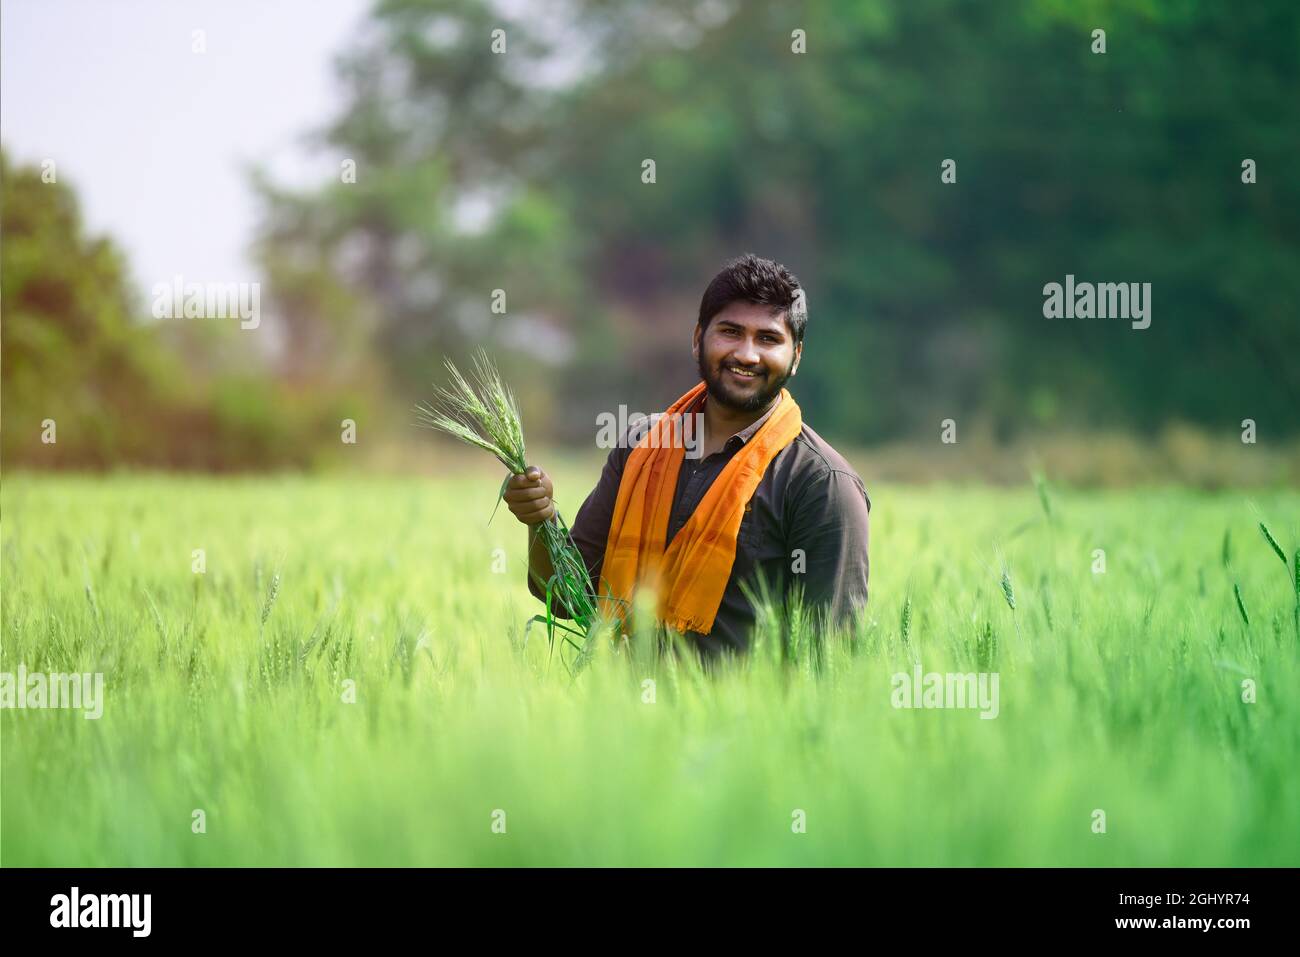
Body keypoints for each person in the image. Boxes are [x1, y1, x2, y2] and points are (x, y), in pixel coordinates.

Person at [504, 253, 870, 662]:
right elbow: (569, 597)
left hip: (745, 725)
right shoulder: (641, 447)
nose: (747, 355)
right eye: (730, 332)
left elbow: (830, 661)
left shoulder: (821, 484)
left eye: (768, 339)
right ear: (698, 338)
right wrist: (541, 520)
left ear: (796, 356)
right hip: (619, 719)